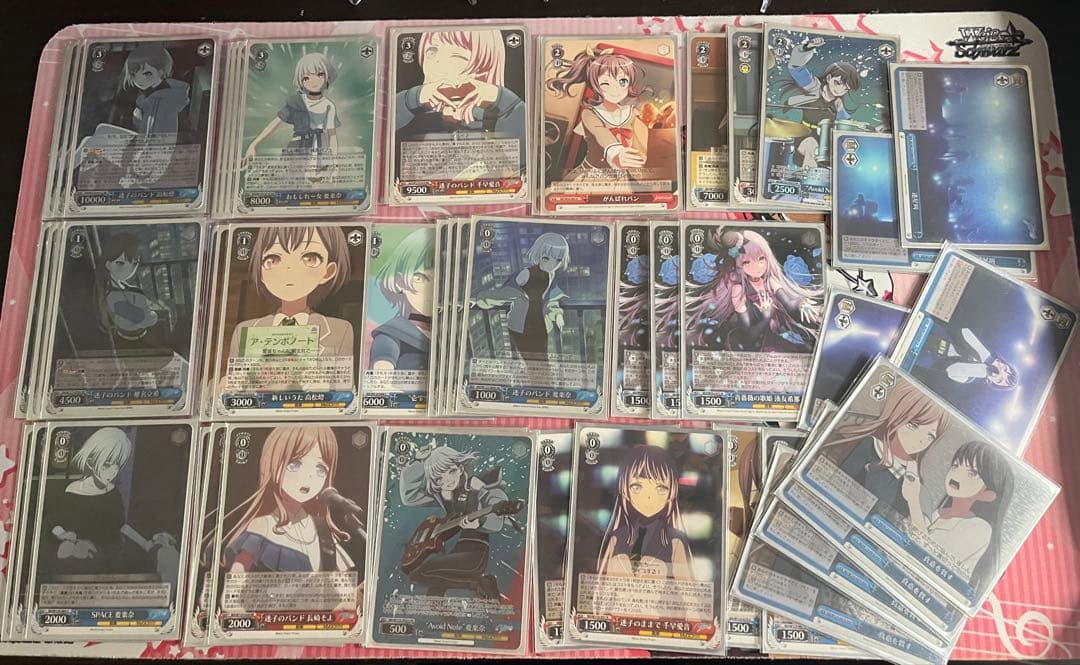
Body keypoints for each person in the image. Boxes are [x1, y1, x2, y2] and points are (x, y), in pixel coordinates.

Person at [395, 29, 525, 181]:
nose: (437, 64)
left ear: (484, 68)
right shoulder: (418, 116)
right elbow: (382, 124)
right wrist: (412, 99)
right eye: (432, 52)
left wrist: (501, 100)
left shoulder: (500, 118)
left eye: (456, 57)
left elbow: (527, 154)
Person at [222, 426, 355, 573]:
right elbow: (236, 580)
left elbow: (342, 584)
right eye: (295, 464)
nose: (308, 476)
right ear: (273, 465)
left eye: (320, 468)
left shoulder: (322, 530)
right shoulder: (263, 526)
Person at [47, 428, 177, 577]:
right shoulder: (70, 491)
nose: (112, 472)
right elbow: (54, 522)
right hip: (76, 554)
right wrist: (63, 534)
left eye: (117, 466)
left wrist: (145, 544)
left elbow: (121, 526)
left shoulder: (112, 493)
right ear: (90, 461)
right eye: (107, 465)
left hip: (108, 556)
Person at [397, 445, 522, 598]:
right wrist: (420, 463)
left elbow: (496, 501)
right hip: (456, 550)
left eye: (451, 471)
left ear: (460, 468)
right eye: (439, 479)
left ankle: (479, 583)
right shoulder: (443, 494)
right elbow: (409, 497)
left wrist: (480, 522)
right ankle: (440, 611)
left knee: (421, 572)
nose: (447, 480)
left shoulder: (474, 486)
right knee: (433, 589)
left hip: (475, 554)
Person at [823, 382, 953, 518]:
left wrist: (912, 499)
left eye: (930, 436)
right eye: (913, 425)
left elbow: (902, 519)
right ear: (897, 414)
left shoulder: (913, 476)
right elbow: (836, 481)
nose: (920, 439)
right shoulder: (868, 445)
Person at [228, 225, 353, 366]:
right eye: (272, 260)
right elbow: (238, 375)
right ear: (261, 272)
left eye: (310, 259)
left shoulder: (339, 330)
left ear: (328, 271)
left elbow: (343, 377)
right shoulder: (244, 330)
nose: (289, 269)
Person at [684, 228, 822, 353]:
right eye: (747, 262)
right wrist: (765, 317)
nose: (757, 267)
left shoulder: (770, 281)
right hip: (754, 342)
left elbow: (789, 304)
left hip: (776, 335)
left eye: (761, 259)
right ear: (738, 265)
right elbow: (748, 335)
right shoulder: (738, 290)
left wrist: (800, 304)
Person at [903, 440, 1012, 589]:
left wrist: (913, 501)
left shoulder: (979, 529)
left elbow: (928, 560)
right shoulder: (938, 513)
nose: (958, 474)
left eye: (972, 473)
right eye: (956, 465)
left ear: (988, 494)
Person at [545, 46, 651, 182]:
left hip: (620, 180)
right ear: (595, 85)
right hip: (591, 176)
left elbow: (640, 146)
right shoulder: (590, 114)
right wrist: (617, 153)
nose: (615, 89)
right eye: (605, 83)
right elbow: (601, 133)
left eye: (622, 81)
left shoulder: (631, 114)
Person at [596, 444, 693, 581]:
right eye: (637, 487)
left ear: (671, 492)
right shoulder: (616, 538)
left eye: (660, 488)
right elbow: (600, 585)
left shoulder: (675, 542)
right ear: (624, 489)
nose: (648, 497)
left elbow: (687, 589)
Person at [245, 52, 341, 182]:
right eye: (307, 77)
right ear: (301, 80)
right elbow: (275, 123)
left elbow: (332, 136)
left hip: (318, 148)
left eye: (320, 74)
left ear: (327, 77)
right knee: (289, 182)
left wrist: (336, 165)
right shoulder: (296, 101)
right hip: (296, 148)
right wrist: (254, 144)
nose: (314, 81)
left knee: (314, 183)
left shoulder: (328, 106)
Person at [474, 233, 570, 361]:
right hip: (522, 326)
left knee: (542, 361)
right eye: (546, 258)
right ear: (539, 255)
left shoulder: (551, 275)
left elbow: (550, 301)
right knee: (533, 363)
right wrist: (478, 299)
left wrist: (557, 315)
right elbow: (503, 294)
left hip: (541, 326)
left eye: (558, 260)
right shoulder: (526, 274)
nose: (553, 264)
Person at [775, 35, 861, 168]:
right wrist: (807, 48)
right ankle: (807, 177)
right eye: (838, 83)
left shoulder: (838, 104)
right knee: (811, 146)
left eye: (845, 88)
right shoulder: (813, 87)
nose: (840, 90)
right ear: (829, 78)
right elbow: (796, 68)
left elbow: (847, 126)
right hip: (805, 134)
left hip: (826, 142)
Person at [369, 228, 434, 371]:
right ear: (399, 281)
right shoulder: (391, 333)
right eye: (420, 278)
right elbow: (380, 377)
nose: (432, 289)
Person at [912, 326, 1019, 390]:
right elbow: (964, 332)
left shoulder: (968, 378)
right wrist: (987, 358)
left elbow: (951, 370)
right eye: (1005, 369)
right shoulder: (987, 347)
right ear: (1002, 362)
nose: (999, 372)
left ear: (991, 382)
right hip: (937, 333)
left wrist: (984, 370)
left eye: (999, 380)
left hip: (927, 358)